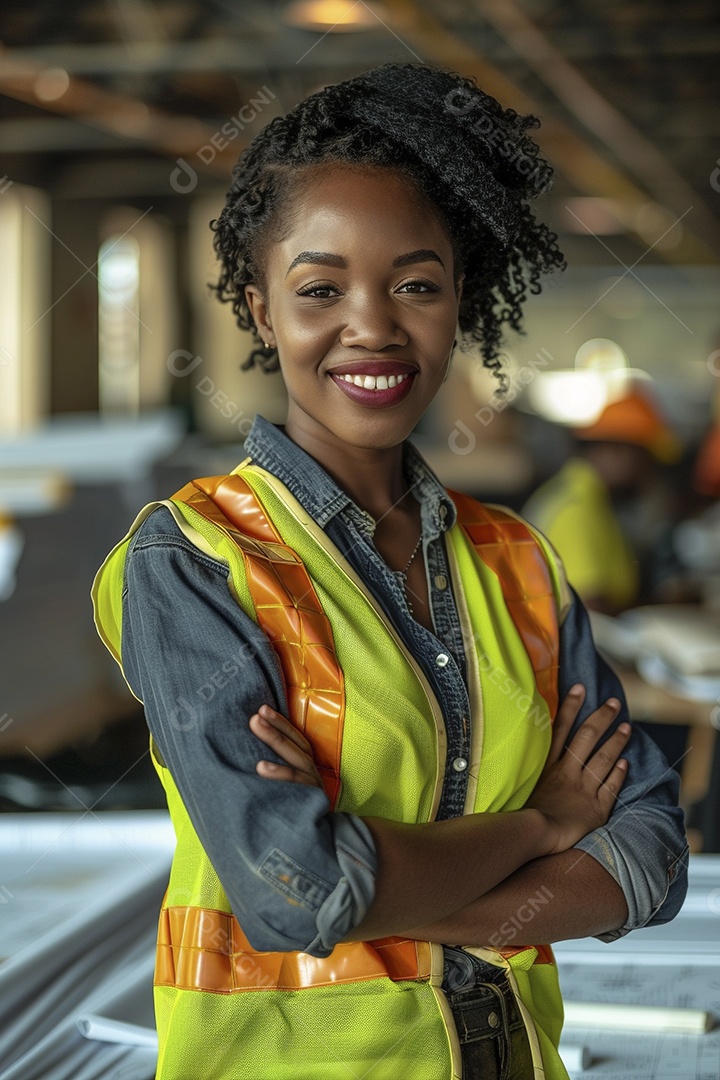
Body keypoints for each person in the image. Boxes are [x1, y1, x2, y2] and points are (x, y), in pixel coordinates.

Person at [92, 63, 688, 1080]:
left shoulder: (522, 561)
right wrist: (546, 823)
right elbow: (296, 892)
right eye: (321, 289)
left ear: (460, 302)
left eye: (415, 283)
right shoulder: (191, 558)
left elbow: (651, 857)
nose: (372, 325)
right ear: (261, 308)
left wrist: (396, 891)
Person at [523, 388, 682, 612]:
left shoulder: (591, 499)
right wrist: (667, 608)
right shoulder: (576, 510)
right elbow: (591, 613)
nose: (649, 475)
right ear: (617, 451)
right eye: (646, 461)